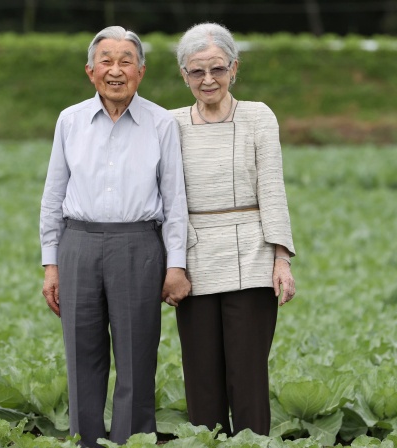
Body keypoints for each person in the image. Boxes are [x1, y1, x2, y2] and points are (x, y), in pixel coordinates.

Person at [40, 26, 191, 448]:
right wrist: (51, 263)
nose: (116, 70)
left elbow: (174, 198)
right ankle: (85, 441)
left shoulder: (161, 123)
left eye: (126, 61)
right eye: (106, 60)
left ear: (140, 72)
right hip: (78, 244)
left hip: (139, 246)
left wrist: (175, 263)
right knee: (81, 356)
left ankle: (132, 441)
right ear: (90, 71)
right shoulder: (70, 121)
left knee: (136, 357)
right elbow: (53, 196)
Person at [168, 23, 296, 437]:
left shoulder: (258, 116)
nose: (208, 80)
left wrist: (281, 259)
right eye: (197, 72)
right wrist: (171, 264)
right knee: (201, 377)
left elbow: (272, 190)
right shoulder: (169, 125)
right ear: (184, 75)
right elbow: (165, 201)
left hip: (252, 256)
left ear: (234, 68)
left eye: (218, 69)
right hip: (194, 258)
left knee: (248, 374)